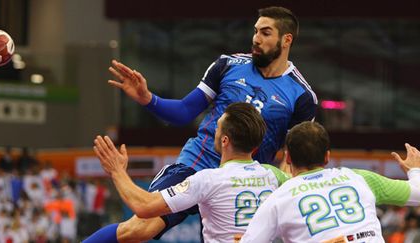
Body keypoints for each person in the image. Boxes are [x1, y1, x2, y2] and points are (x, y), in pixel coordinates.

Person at [96, 6, 317, 242]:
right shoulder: (228, 66)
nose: (256, 38)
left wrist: (282, 187)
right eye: (255, 31)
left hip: (245, 184)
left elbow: (294, 156)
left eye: (265, 33)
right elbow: (184, 112)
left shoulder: (301, 95)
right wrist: (148, 99)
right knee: (138, 230)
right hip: (197, 165)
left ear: (286, 40)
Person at [84, 103, 290, 242]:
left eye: (217, 128)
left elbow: (144, 206)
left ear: (225, 140)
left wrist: (117, 171)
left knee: (137, 228)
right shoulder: (274, 176)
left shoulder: (207, 179)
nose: (213, 132)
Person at [240, 121, 420, 243]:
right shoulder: (361, 179)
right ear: (327, 156)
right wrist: (414, 169)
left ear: (287, 158)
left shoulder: (278, 198)